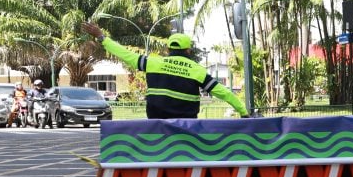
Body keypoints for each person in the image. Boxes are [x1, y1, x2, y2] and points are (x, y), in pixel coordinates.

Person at [81, 21, 248, 119]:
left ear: (168, 50)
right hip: (186, 127)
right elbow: (224, 93)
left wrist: (101, 36)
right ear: (188, 51)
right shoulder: (196, 70)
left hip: (157, 124)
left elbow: (124, 54)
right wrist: (244, 113)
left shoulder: (153, 63)